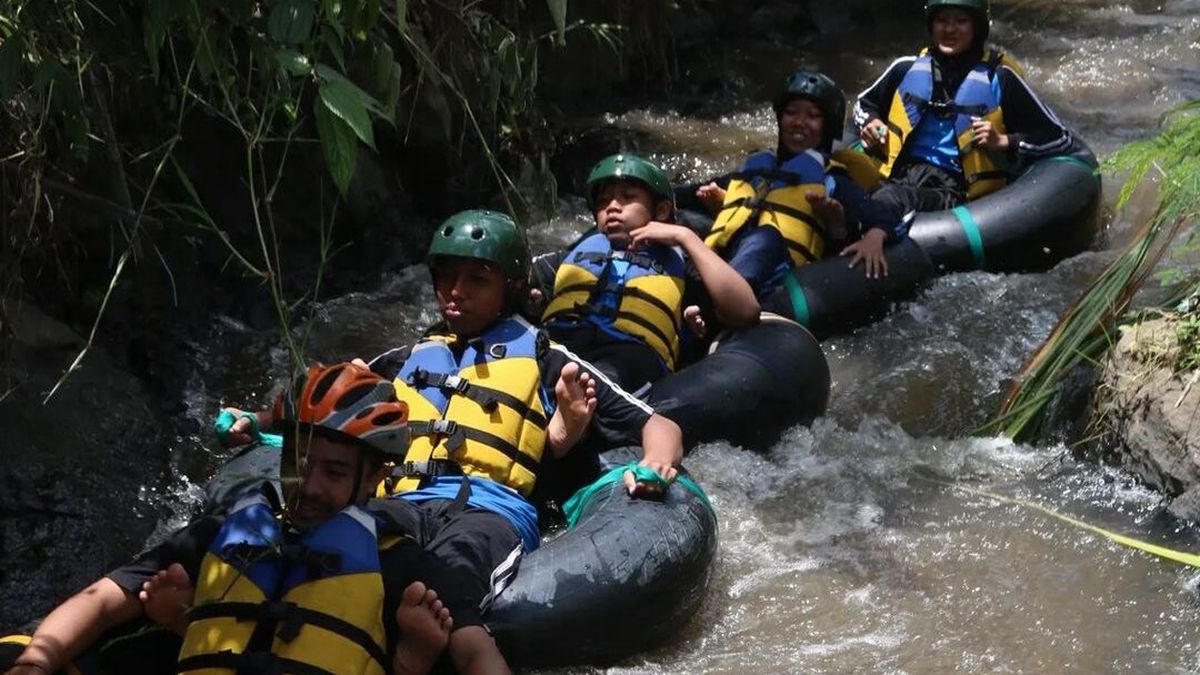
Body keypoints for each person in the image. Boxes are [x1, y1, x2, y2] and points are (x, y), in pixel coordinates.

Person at [364, 209, 686, 675]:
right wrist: (257, 422)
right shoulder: (404, 359)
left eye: (476, 280)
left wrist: (654, 466)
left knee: (451, 582)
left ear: (510, 289)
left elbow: (660, 425)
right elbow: (323, 408)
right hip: (404, 503)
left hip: (488, 512)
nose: (456, 292)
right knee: (344, 550)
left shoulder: (545, 356)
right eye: (447, 277)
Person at [2, 363, 454, 675]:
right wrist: (34, 663)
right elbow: (101, 599)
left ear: (376, 475)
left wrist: (411, 663)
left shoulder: (396, 563)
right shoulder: (227, 531)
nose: (308, 485)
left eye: (334, 472)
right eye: (297, 461)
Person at [534, 153, 760, 393]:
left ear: (661, 210)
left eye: (628, 197)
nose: (612, 207)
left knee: (605, 376)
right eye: (603, 201)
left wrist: (685, 237)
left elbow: (746, 310)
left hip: (628, 358)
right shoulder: (570, 258)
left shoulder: (679, 264)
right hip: (563, 341)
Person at [854, 0, 1074, 214]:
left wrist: (1004, 141)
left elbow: (1058, 137)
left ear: (977, 27)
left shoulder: (1000, 78)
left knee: (887, 199)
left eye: (961, 21)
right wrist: (871, 122)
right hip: (900, 174)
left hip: (951, 188)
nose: (950, 29)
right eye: (941, 20)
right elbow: (863, 106)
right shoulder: (905, 69)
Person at [693, 70, 907, 290]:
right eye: (791, 112)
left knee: (765, 237)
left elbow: (887, 218)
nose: (799, 122)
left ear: (829, 126)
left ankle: (728, 297)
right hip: (726, 259)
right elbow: (683, 194)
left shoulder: (832, 180)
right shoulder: (756, 168)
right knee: (686, 221)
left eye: (812, 116)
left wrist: (874, 236)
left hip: (777, 271)